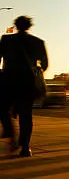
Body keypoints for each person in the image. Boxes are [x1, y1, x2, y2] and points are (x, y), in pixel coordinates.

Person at [0, 16, 48, 157]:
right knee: (26, 115)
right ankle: (25, 147)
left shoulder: (6, 40)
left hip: (9, 81)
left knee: (2, 109)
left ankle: (10, 133)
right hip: (28, 83)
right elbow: (44, 64)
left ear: (15, 26)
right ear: (29, 26)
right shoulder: (38, 42)